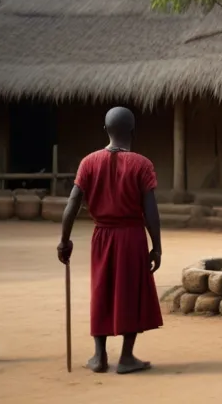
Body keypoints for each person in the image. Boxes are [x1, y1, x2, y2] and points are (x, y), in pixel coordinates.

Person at [58, 106, 163, 375]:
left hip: (101, 236)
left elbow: (72, 203)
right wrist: (157, 246)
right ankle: (126, 357)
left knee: (101, 290)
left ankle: (99, 356)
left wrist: (64, 240)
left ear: (105, 130)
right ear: (133, 131)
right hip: (132, 236)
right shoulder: (142, 164)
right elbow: (151, 211)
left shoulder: (89, 162)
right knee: (131, 291)